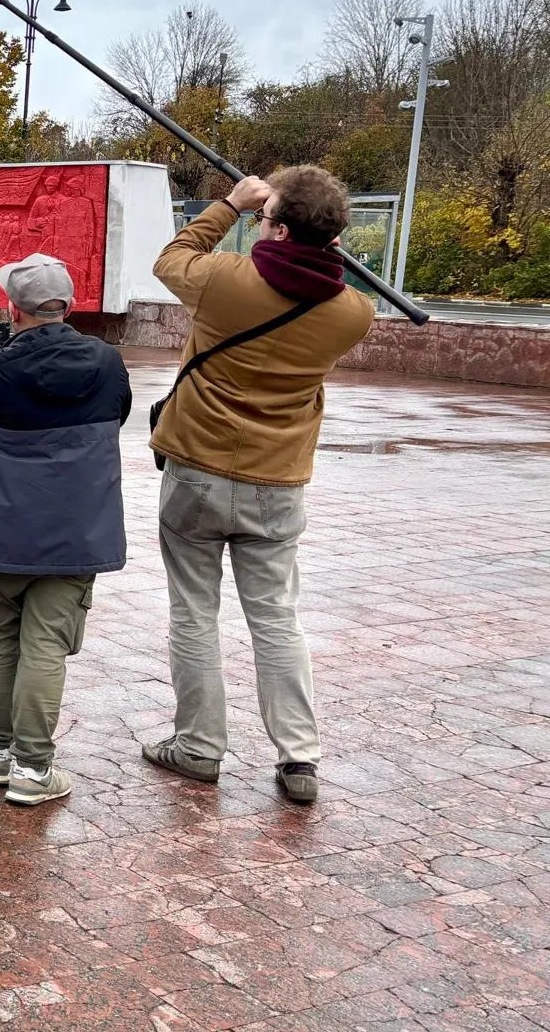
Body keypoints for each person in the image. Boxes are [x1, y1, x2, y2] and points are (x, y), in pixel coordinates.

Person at [141, 167, 375, 805]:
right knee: (276, 619)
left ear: (274, 224)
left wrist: (229, 205)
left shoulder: (226, 282)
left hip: (197, 470)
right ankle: (299, 757)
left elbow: (172, 258)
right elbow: (309, 272)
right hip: (278, 479)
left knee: (194, 612)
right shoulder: (353, 312)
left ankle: (197, 747)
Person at [0, 253, 132, 806]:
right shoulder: (107, 363)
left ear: (12, 309)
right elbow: (120, 412)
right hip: (76, 532)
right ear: (70, 305)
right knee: (47, 647)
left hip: (0, 530)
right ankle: (34, 770)